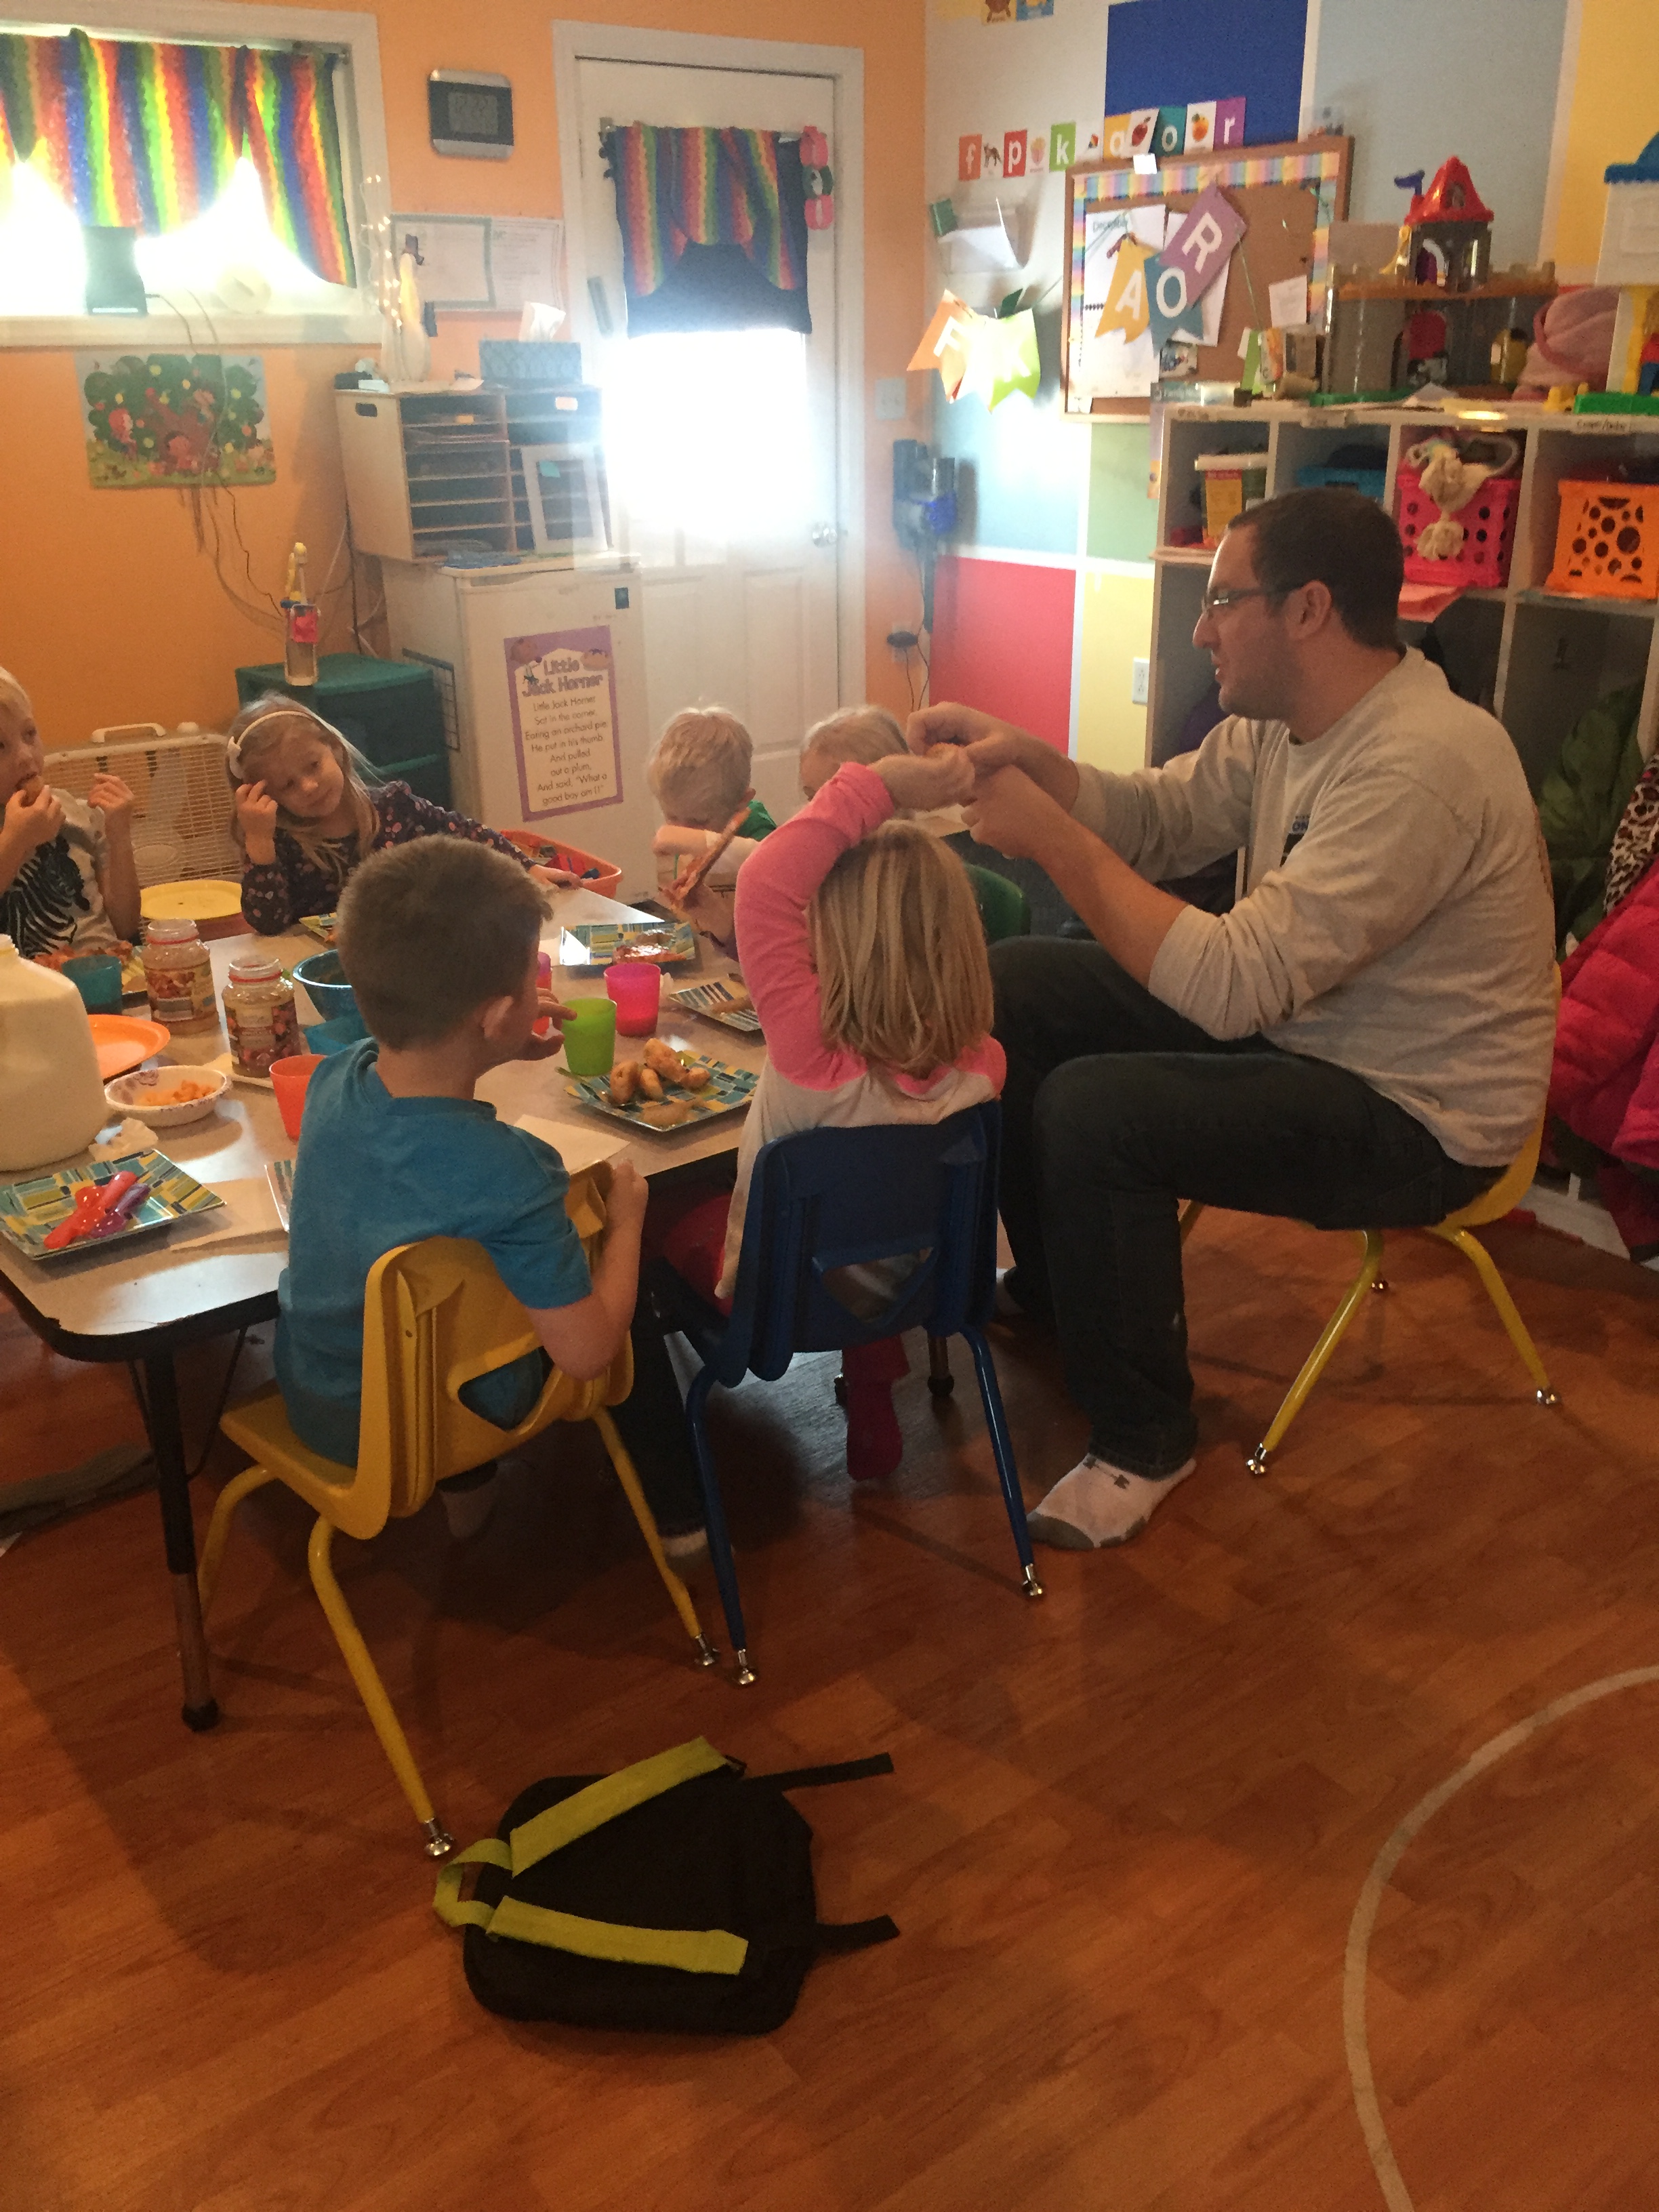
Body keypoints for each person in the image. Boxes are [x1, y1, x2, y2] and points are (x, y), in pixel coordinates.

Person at [908, 486, 1557, 1551]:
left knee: (1093, 1110)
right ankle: (1074, 1303)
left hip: (1418, 1115)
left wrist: (1057, 845)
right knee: (1016, 984)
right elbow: (1162, 821)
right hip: (1312, 1037)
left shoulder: (1423, 763)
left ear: (1307, 610)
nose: (1202, 627)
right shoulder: (1288, 726)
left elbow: (1231, 984)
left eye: (1223, 600)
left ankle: (1145, 1441)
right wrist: (1039, 765)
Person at [276, 837, 706, 1552]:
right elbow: (589, 1351)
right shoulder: (514, 1174)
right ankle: (681, 1517)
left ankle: (471, 1509)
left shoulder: (331, 1081)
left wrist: (503, 1039)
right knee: (618, 1263)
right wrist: (629, 1222)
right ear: (494, 1011)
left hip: (322, 1400)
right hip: (429, 1422)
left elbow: (416, 1158)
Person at [649, 745, 997, 1482]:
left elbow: (767, 885)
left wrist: (882, 784)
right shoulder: (984, 1066)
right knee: (855, 1224)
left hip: (774, 1298)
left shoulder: (811, 1055)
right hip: (912, 1282)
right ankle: (873, 1403)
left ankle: (662, 1468)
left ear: (830, 939)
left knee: (647, 1201)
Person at [229, 693, 570, 935]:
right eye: (288, 785)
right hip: (331, 975)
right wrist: (259, 843)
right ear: (266, 796)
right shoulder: (279, 841)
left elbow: (465, 834)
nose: (308, 786)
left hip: (410, 954)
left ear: (334, 747)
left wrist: (526, 867)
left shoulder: (394, 806)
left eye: (313, 765)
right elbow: (268, 924)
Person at [0, 665, 140, 958]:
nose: (26, 756)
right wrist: (15, 840)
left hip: (108, 975)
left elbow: (125, 925)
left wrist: (118, 835)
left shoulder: (76, 814)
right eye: (0, 746)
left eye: (29, 734)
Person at [647, 706, 777, 951]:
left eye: (697, 822)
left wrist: (722, 923)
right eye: (672, 816)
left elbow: (771, 940)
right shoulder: (690, 822)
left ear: (742, 802)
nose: (682, 833)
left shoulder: (761, 837)